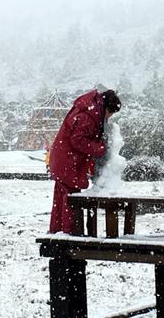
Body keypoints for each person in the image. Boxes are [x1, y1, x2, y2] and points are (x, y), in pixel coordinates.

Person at [48, 89, 121, 234]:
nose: (109, 117)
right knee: (71, 199)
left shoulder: (89, 111)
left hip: (62, 159)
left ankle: (58, 232)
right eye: (110, 113)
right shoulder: (88, 116)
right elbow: (78, 140)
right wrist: (100, 148)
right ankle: (69, 236)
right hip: (68, 161)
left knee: (61, 198)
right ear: (106, 107)